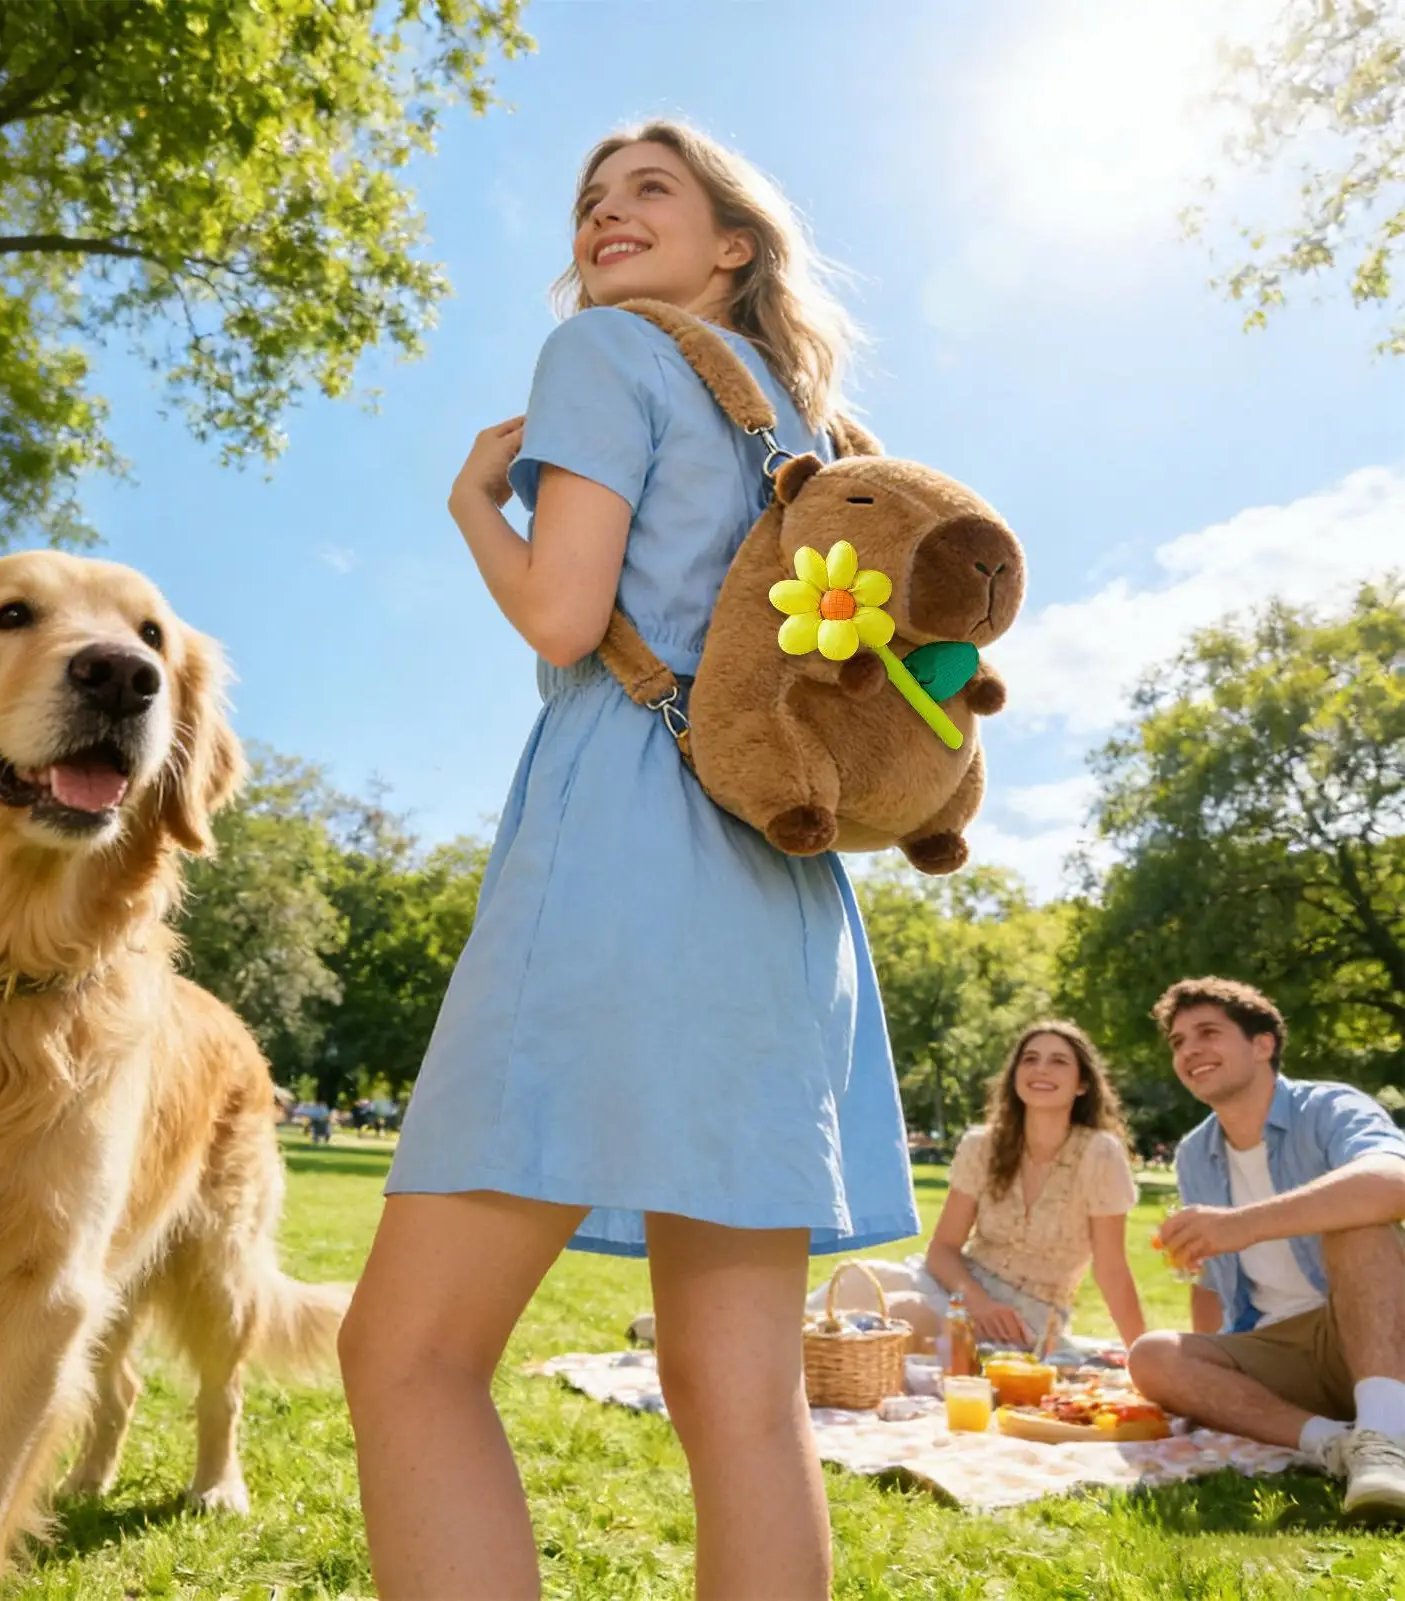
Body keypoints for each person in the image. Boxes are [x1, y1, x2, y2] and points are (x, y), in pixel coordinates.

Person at [336, 121, 918, 1600]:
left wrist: (479, 503)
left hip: (625, 859)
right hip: (783, 903)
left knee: (408, 1353)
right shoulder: (816, 438)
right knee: (746, 1403)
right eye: (589, 198)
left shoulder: (606, 357)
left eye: (647, 189)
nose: (604, 215)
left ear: (734, 241)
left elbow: (559, 613)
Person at [1127, 977, 1405, 1522]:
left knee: (1357, 1221)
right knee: (1152, 1354)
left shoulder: (1327, 1107)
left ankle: (1387, 1443)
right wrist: (1203, 1382)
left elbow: (1393, 1182)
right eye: (1179, 1041)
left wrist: (1242, 1225)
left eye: (1208, 1032)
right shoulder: (1194, 1154)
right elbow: (1210, 1281)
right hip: (1279, 1348)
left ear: (1263, 1044)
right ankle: (1338, 1445)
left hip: (1376, 1328)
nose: (1190, 1051)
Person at [823, 1021, 1148, 1353]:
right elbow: (943, 1249)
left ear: (1082, 1085)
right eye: (1030, 1059)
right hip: (960, 1286)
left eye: (1058, 1061)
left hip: (1026, 1315)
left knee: (904, 1314)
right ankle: (776, 1368)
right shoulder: (982, 1145)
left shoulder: (1100, 1153)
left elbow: (1112, 1270)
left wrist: (1140, 1355)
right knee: (856, 1281)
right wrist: (977, 1302)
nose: (1041, 1069)